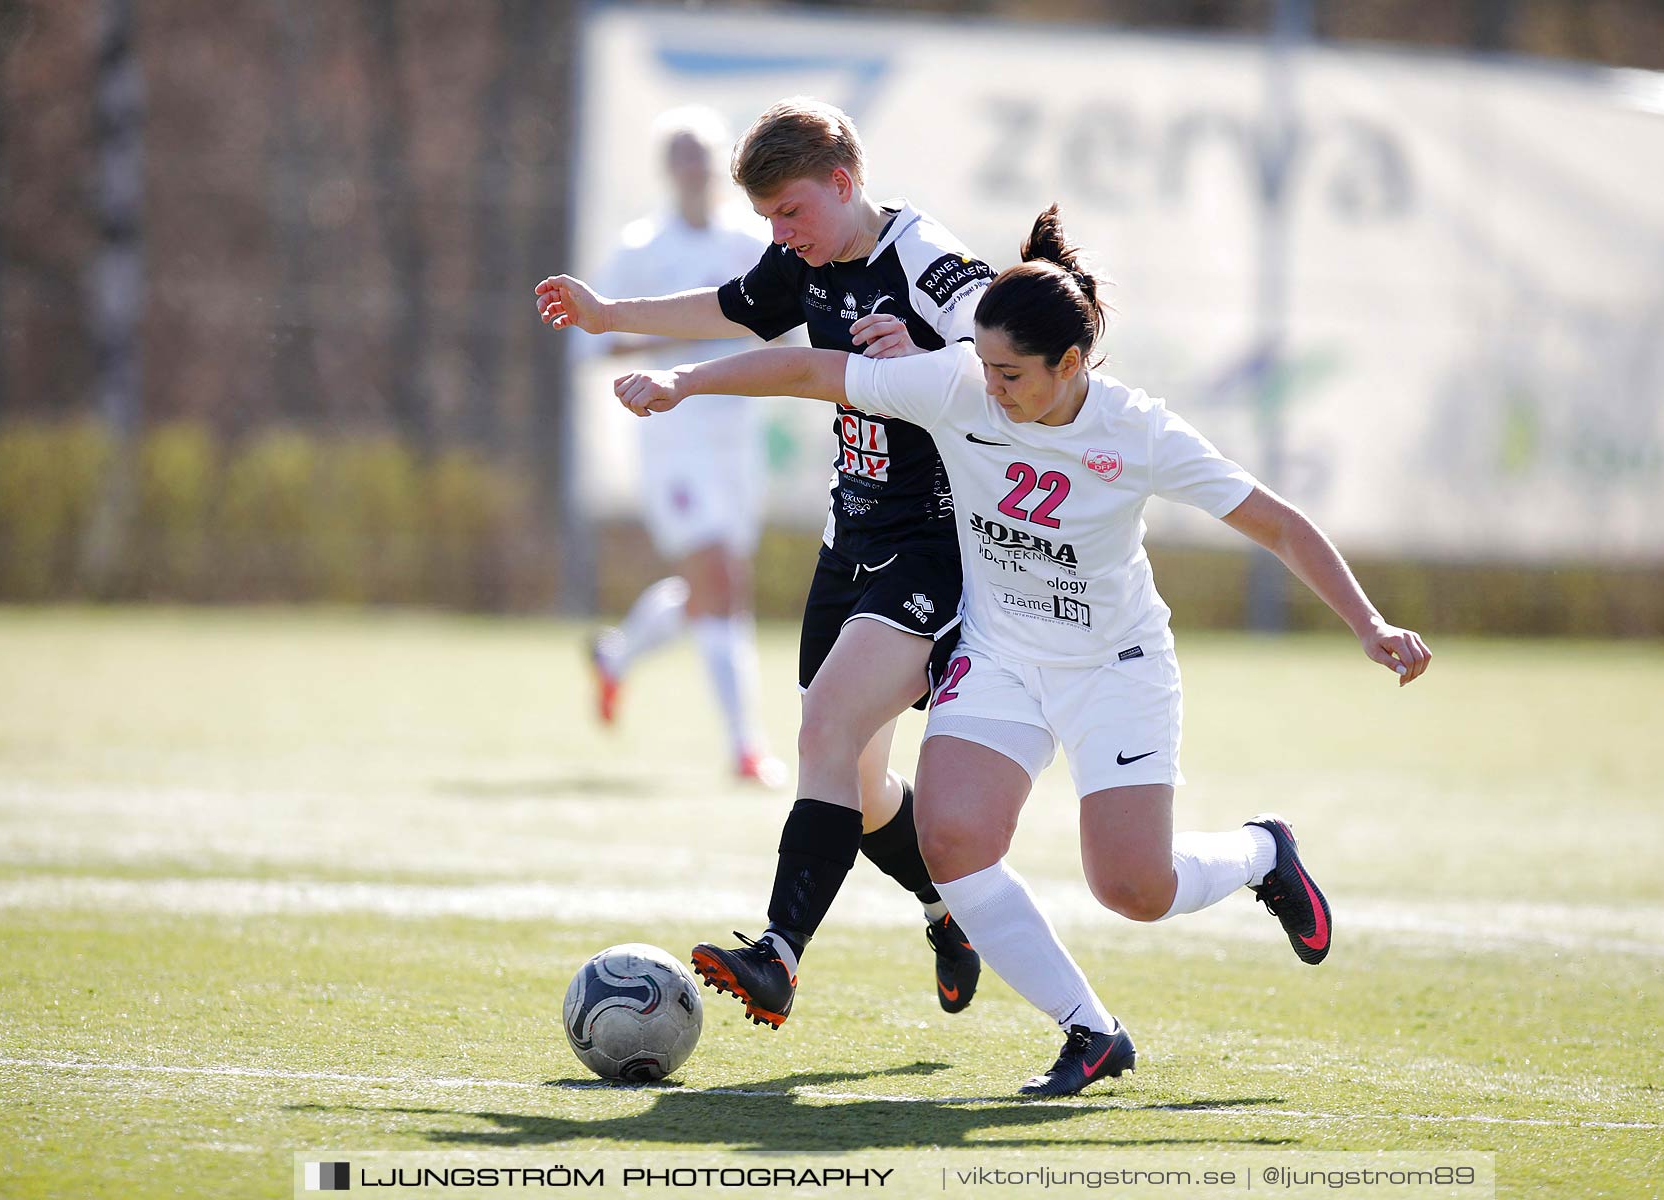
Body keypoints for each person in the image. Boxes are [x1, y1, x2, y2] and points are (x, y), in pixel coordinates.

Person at [611, 204, 1434, 1097]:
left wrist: (1369, 624)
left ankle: (1264, 852)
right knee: (954, 834)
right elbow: (815, 369)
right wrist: (687, 381)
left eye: (1011, 374)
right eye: (984, 365)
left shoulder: (1137, 431)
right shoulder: (958, 384)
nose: (991, 387)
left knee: (1134, 888)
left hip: (1114, 669)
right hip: (1001, 655)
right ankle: (1091, 1031)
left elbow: (1275, 521)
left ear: (1070, 365)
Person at [537, 98, 992, 1027]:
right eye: (768, 222)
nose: (780, 237)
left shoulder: (924, 257)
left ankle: (778, 955)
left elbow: (1022, 343)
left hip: (934, 549)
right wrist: (606, 314)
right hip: (850, 544)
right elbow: (729, 309)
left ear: (842, 182)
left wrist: (947, 350)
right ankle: (953, 916)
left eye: (791, 213)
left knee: (821, 732)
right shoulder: (804, 259)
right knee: (861, 788)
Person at [579, 107, 784, 787]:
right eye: (684, 157)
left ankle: (616, 656)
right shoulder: (641, 249)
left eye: (705, 156)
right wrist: (674, 337)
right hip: (674, 439)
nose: (696, 170)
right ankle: (746, 747)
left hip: (734, 437)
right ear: (669, 170)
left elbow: (782, 325)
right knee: (721, 576)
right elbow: (593, 340)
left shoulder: (746, 244)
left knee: (712, 590)